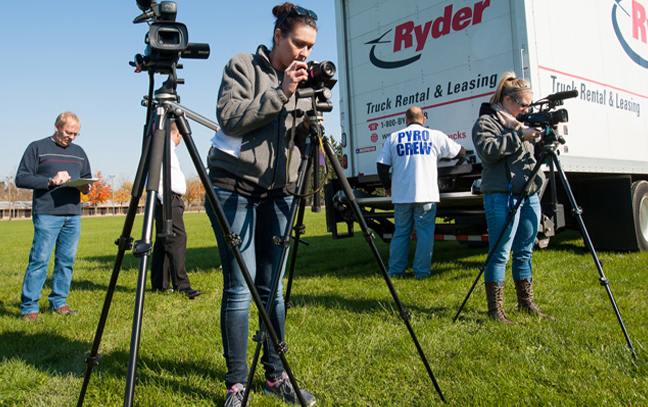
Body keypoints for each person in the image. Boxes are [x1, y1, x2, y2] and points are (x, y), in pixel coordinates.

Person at [204, 3, 317, 406]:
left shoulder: (304, 80)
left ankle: (276, 376)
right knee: (240, 288)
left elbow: (296, 143)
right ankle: (237, 384)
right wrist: (281, 92)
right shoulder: (243, 66)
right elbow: (230, 118)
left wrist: (308, 124)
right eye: (298, 43)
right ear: (278, 36)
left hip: (278, 191)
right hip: (232, 185)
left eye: (310, 47)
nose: (304, 53)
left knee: (274, 292)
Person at [472, 72, 554, 324]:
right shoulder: (486, 122)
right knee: (499, 253)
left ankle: (526, 303)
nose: (527, 110)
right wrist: (519, 137)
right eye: (524, 105)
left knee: (525, 252)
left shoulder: (522, 124)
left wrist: (544, 141)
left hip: (528, 195)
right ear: (508, 101)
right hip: (501, 196)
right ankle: (495, 311)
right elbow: (487, 151)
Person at [15, 112, 92, 322]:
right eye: (68, 132)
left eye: (76, 134)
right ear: (57, 127)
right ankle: (29, 307)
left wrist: (85, 187)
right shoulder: (37, 148)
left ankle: (59, 302)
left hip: (73, 214)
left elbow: (86, 178)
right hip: (47, 213)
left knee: (66, 261)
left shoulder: (79, 152)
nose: (72, 138)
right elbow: (21, 178)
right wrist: (50, 181)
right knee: (39, 260)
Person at [376, 106, 465, 279]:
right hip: (426, 194)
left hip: (401, 196)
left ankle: (395, 272)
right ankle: (421, 273)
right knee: (424, 235)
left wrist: (387, 186)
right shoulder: (434, 135)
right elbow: (459, 152)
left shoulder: (394, 137)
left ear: (406, 120)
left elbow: (381, 165)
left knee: (401, 233)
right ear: (423, 120)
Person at [151, 121, 201, 299]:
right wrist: (165, 200)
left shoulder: (163, 147)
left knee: (164, 240)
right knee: (177, 239)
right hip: (168, 198)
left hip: (164, 198)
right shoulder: (166, 148)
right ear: (179, 133)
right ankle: (181, 284)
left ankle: (160, 283)